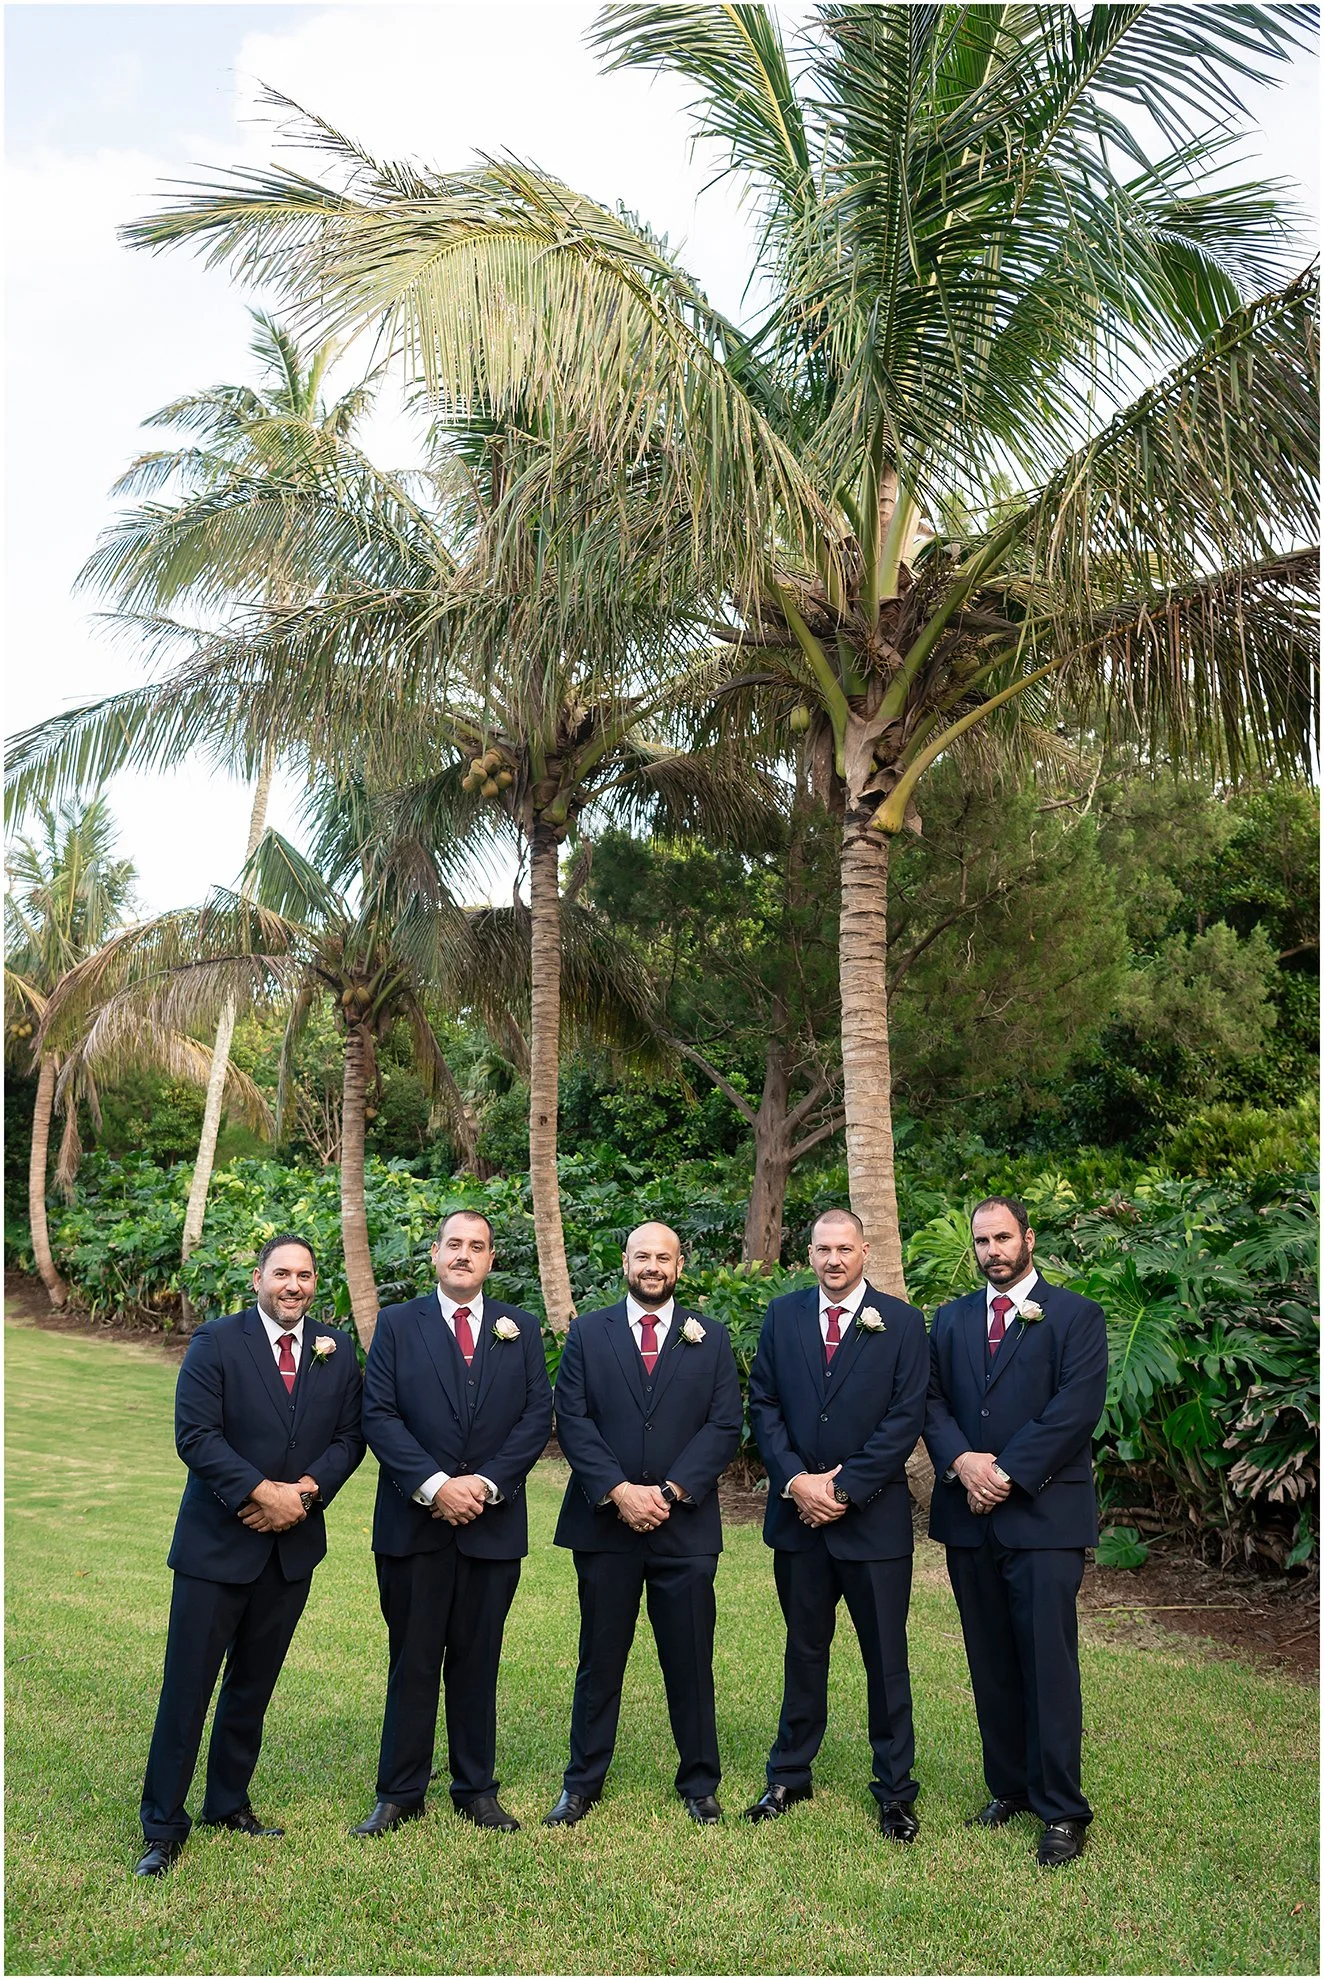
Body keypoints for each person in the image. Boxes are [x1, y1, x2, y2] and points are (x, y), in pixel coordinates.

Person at [135, 1234, 365, 1878]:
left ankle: (228, 1803)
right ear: (258, 1278)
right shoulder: (216, 1342)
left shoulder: (336, 1347)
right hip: (216, 1548)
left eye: (305, 1276)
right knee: (187, 1689)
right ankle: (163, 1825)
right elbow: (196, 1436)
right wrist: (265, 1493)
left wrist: (305, 1495)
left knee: (251, 1688)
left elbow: (351, 1438)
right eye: (281, 1274)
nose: (294, 1286)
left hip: (290, 1553)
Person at [924, 1194, 1108, 1868]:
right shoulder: (951, 1319)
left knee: (1047, 1664)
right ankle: (1008, 1787)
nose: (992, 1251)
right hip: (969, 1519)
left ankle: (1061, 1810)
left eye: (1003, 1238)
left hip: (1044, 1517)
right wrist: (963, 1462)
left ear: (1028, 1239)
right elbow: (930, 1400)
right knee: (990, 1659)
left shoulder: (1077, 1316)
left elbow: (1075, 1409)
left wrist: (1004, 1472)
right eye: (982, 1241)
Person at [354, 1209, 551, 1836]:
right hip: (414, 1526)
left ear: (491, 1259)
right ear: (435, 1254)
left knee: (478, 1660)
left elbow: (536, 1417)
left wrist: (485, 1486)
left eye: (477, 1246)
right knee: (412, 1659)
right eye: (454, 1244)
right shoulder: (396, 1324)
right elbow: (379, 1414)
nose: (465, 1254)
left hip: (492, 1526)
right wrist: (437, 1486)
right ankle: (399, 1792)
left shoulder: (521, 1327)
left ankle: (476, 1790)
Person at [544, 1221, 742, 1827]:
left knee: (690, 1659)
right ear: (625, 1263)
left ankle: (700, 1783)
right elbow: (573, 1419)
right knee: (600, 1659)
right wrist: (619, 1491)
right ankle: (582, 1783)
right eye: (641, 1256)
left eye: (663, 1257)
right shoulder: (589, 1333)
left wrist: (673, 1491)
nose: (652, 1266)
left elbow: (724, 1425)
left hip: (685, 1528)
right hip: (606, 1525)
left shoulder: (710, 1336)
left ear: (680, 1267)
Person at [743, 1208, 928, 1839]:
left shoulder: (901, 1323)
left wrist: (843, 1489)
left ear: (865, 1252)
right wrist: (797, 1481)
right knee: (803, 1650)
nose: (833, 1260)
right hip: (798, 1519)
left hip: (873, 1524)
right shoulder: (783, 1316)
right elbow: (764, 1403)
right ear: (810, 1256)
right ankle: (788, 1774)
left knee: (886, 1659)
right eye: (823, 1249)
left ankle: (895, 1791)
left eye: (844, 1249)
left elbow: (905, 1417)